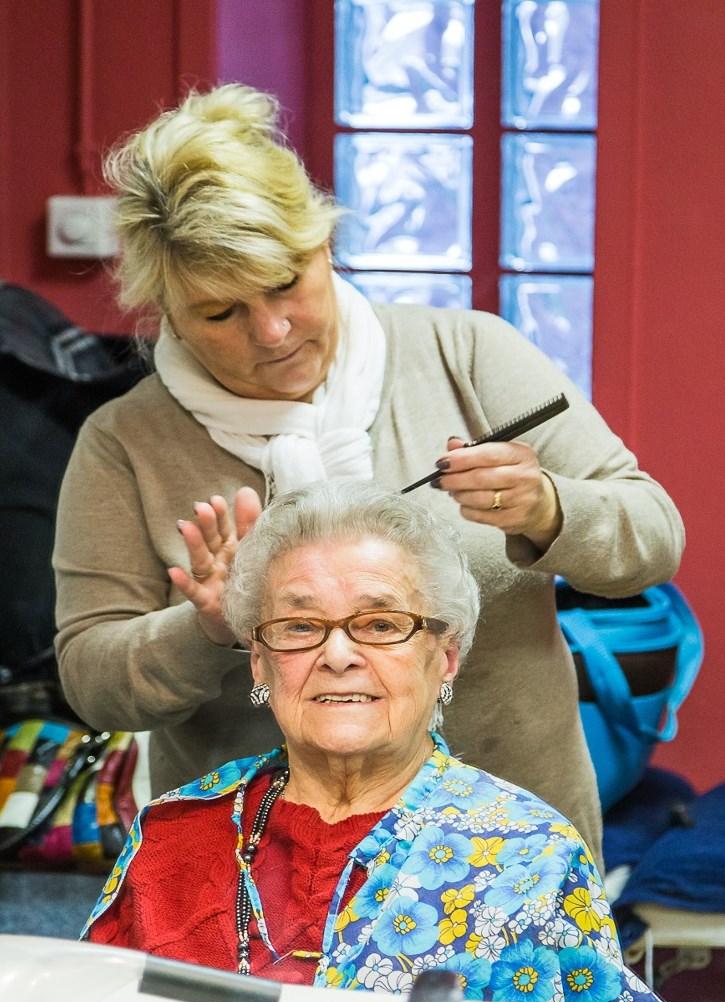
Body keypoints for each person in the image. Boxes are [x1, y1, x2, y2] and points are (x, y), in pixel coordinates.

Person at [53, 83, 684, 870]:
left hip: (507, 851)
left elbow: (652, 536)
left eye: (287, 283)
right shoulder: (125, 443)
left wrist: (546, 506)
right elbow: (91, 681)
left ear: (325, 243)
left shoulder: (468, 357)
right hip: (247, 877)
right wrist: (207, 629)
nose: (273, 332)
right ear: (167, 314)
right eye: (220, 314)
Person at [84, 480, 672, 1002]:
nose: (338, 656)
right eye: (299, 626)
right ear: (260, 663)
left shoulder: (529, 855)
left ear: (445, 658)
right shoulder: (175, 831)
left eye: (382, 625)